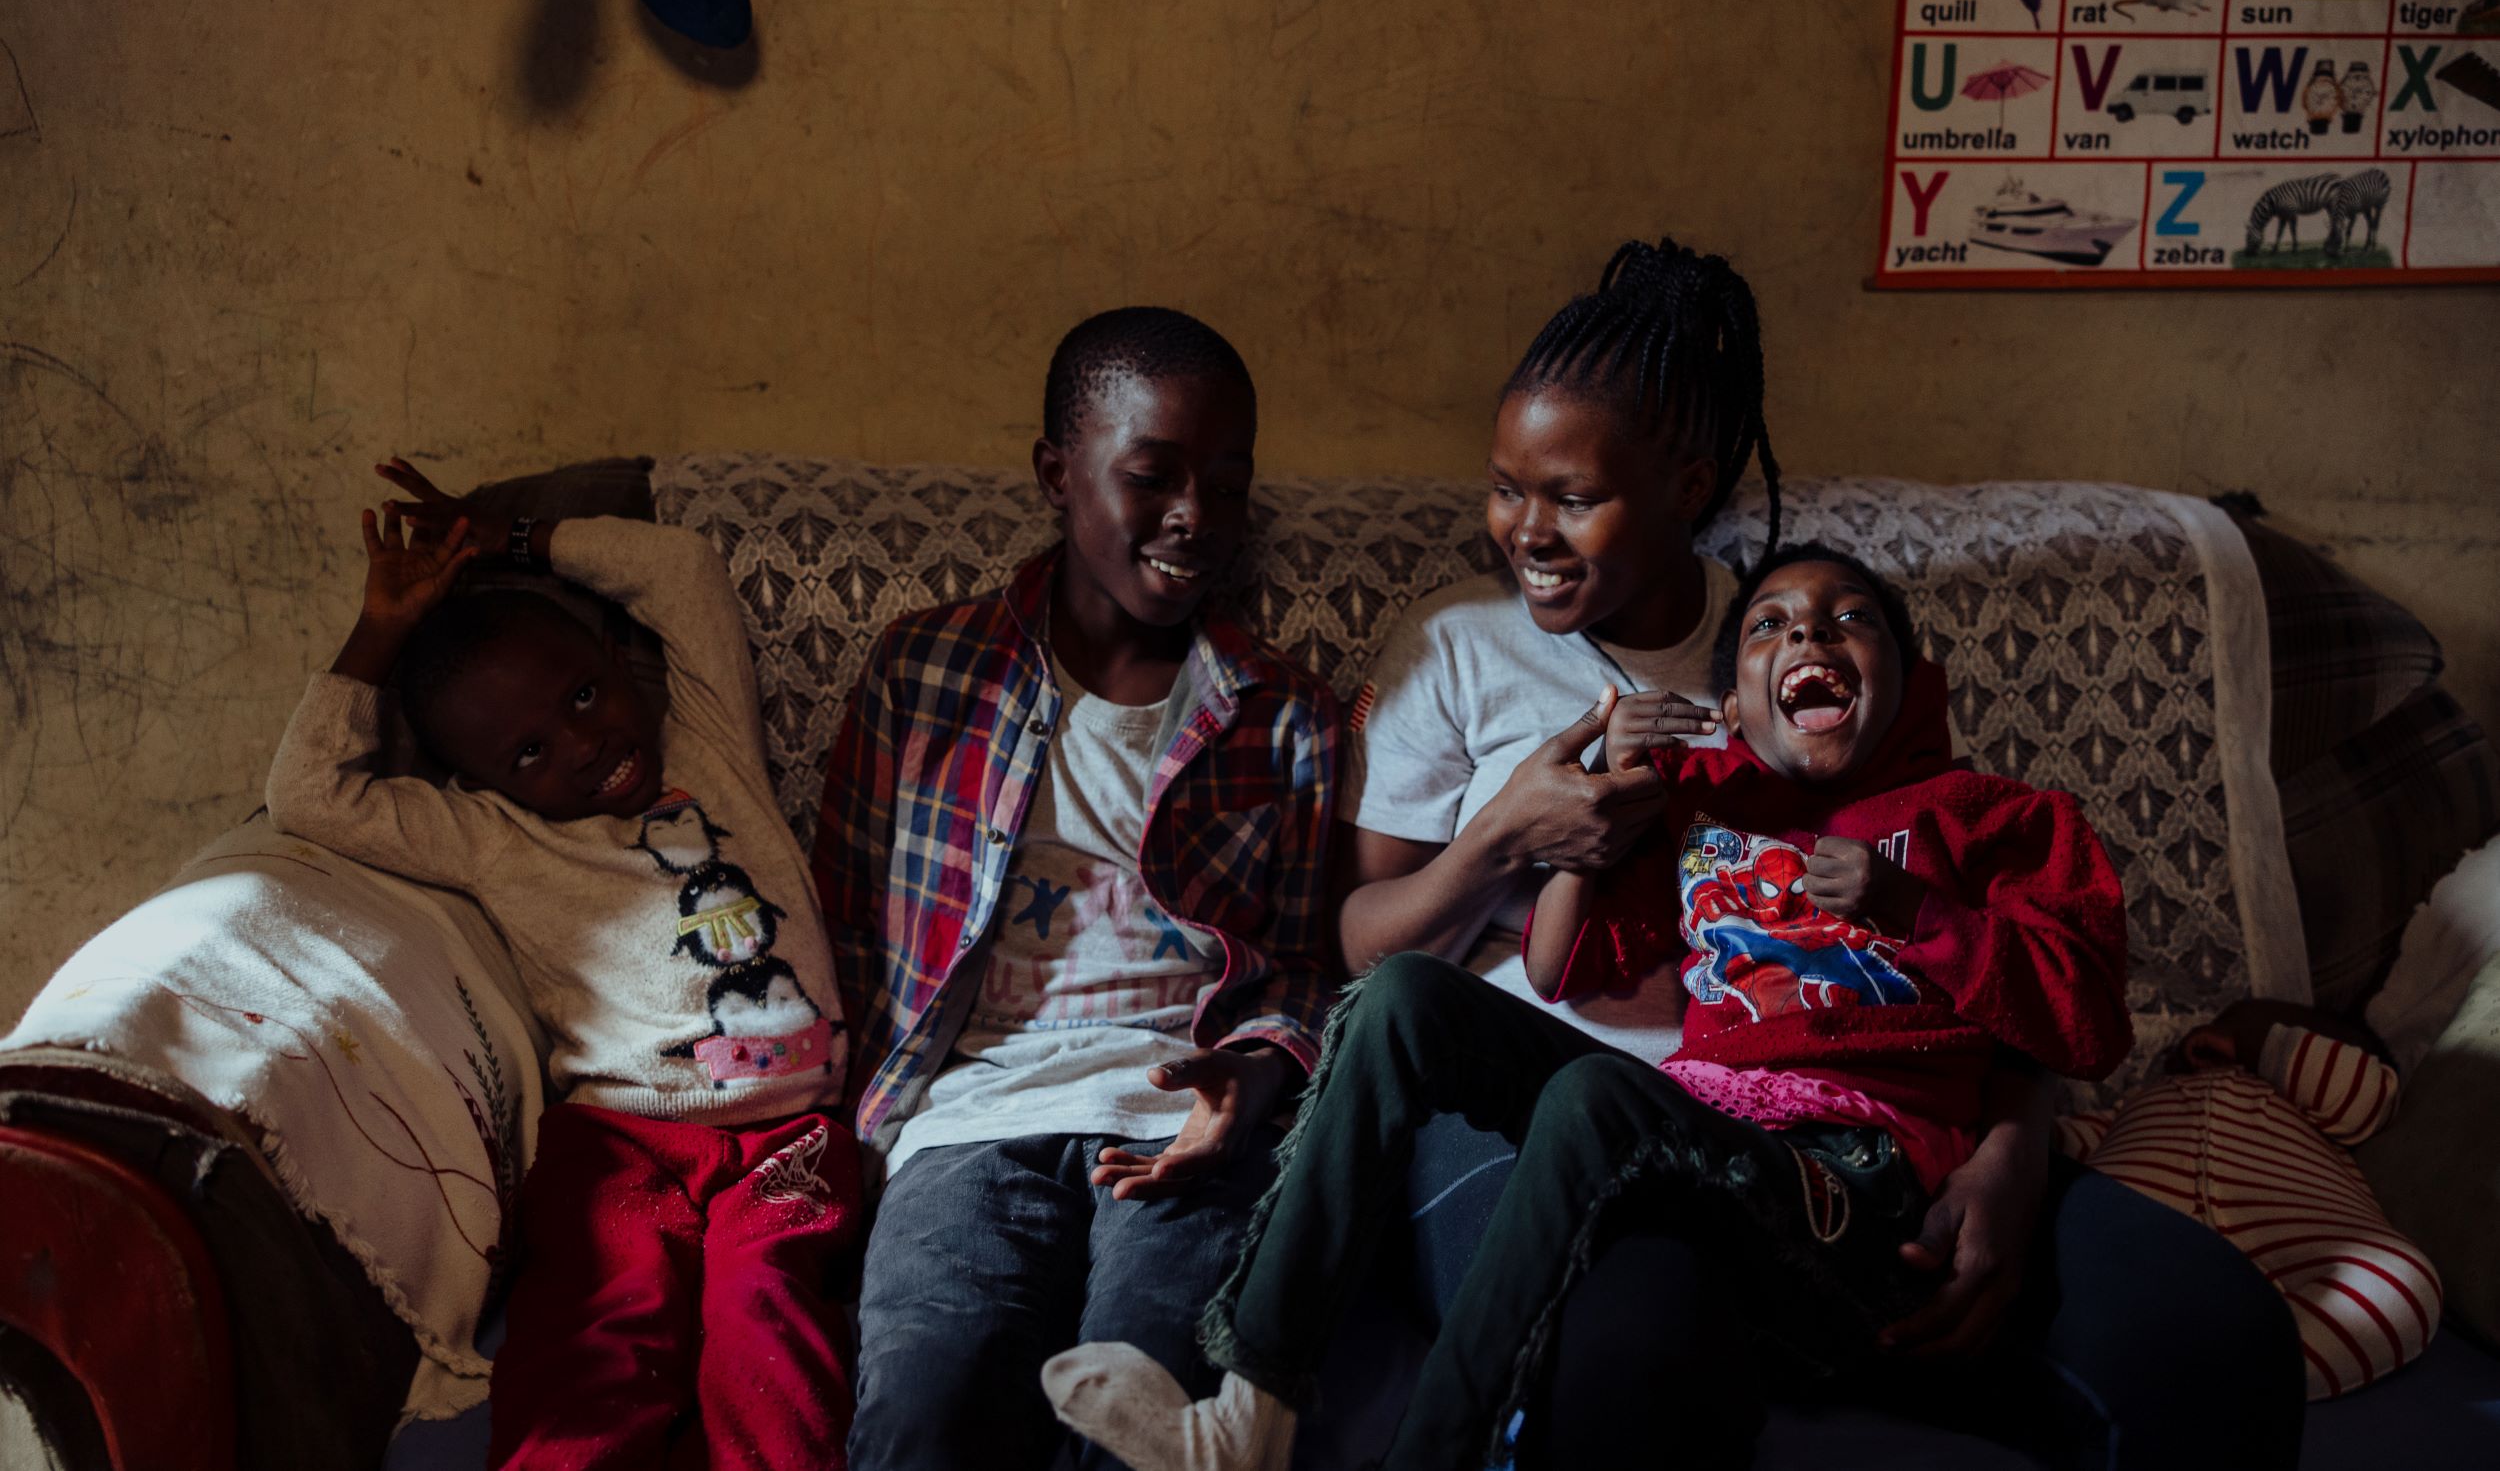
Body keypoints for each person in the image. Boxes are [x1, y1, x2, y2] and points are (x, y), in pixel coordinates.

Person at [1313, 234, 2303, 1466]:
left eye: (1572, 496)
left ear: (1685, 482)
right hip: (1536, 1109)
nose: (1526, 531)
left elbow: (1969, 911)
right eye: (1508, 487)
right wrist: (1513, 831)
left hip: (1864, 1118)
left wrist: (2007, 1156)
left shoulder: (1801, 632)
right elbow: (1362, 945)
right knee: (1627, 1357)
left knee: (2214, 1341)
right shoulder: (1453, 646)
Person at [1041, 546, 2133, 1470]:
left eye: (1850, 621)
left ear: (1913, 677)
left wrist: (1914, 907)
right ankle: (1247, 1413)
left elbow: (2085, 1018)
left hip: (1857, 1178)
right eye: (1769, 628)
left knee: (1598, 1094)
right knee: (1403, 995)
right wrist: (1605, 794)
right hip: (1708, 1143)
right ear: (1739, 700)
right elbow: (1563, 966)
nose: (1809, 639)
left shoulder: (1994, 816)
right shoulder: (1714, 813)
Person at [814, 308, 1340, 1471]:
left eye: (1228, 482)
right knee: (923, 1406)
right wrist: (839, 1136)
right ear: (1058, 472)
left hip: (1178, 1124)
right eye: (1152, 475)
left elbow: (1308, 964)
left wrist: (1253, 1076)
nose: (1195, 514)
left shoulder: (1287, 711)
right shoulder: (926, 670)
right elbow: (845, 923)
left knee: (1145, 1417)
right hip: (969, 1117)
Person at [265, 458, 858, 1471]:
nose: (581, 744)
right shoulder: (490, 834)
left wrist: (512, 540)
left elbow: (681, 569)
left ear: (621, 666)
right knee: (598, 1325)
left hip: (790, 1137)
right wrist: (382, 630)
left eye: (584, 694)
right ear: (482, 780)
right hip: (621, 1142)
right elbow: (308, 791)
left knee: (770, 1320)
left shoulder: (709, 744)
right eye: (529, 753)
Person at [2063, 998, 2442, 1399]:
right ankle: (2162, 1356)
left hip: (2296, 1219)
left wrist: (2255, 1039)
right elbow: (2064, 1149)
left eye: (2289, 1034)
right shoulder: (2135, 1103)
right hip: (2140, 1217)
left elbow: (2358, 1093)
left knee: (2399, 1287)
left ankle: (2203, 1367)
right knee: (2055, 1252)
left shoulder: (2323, 1110)